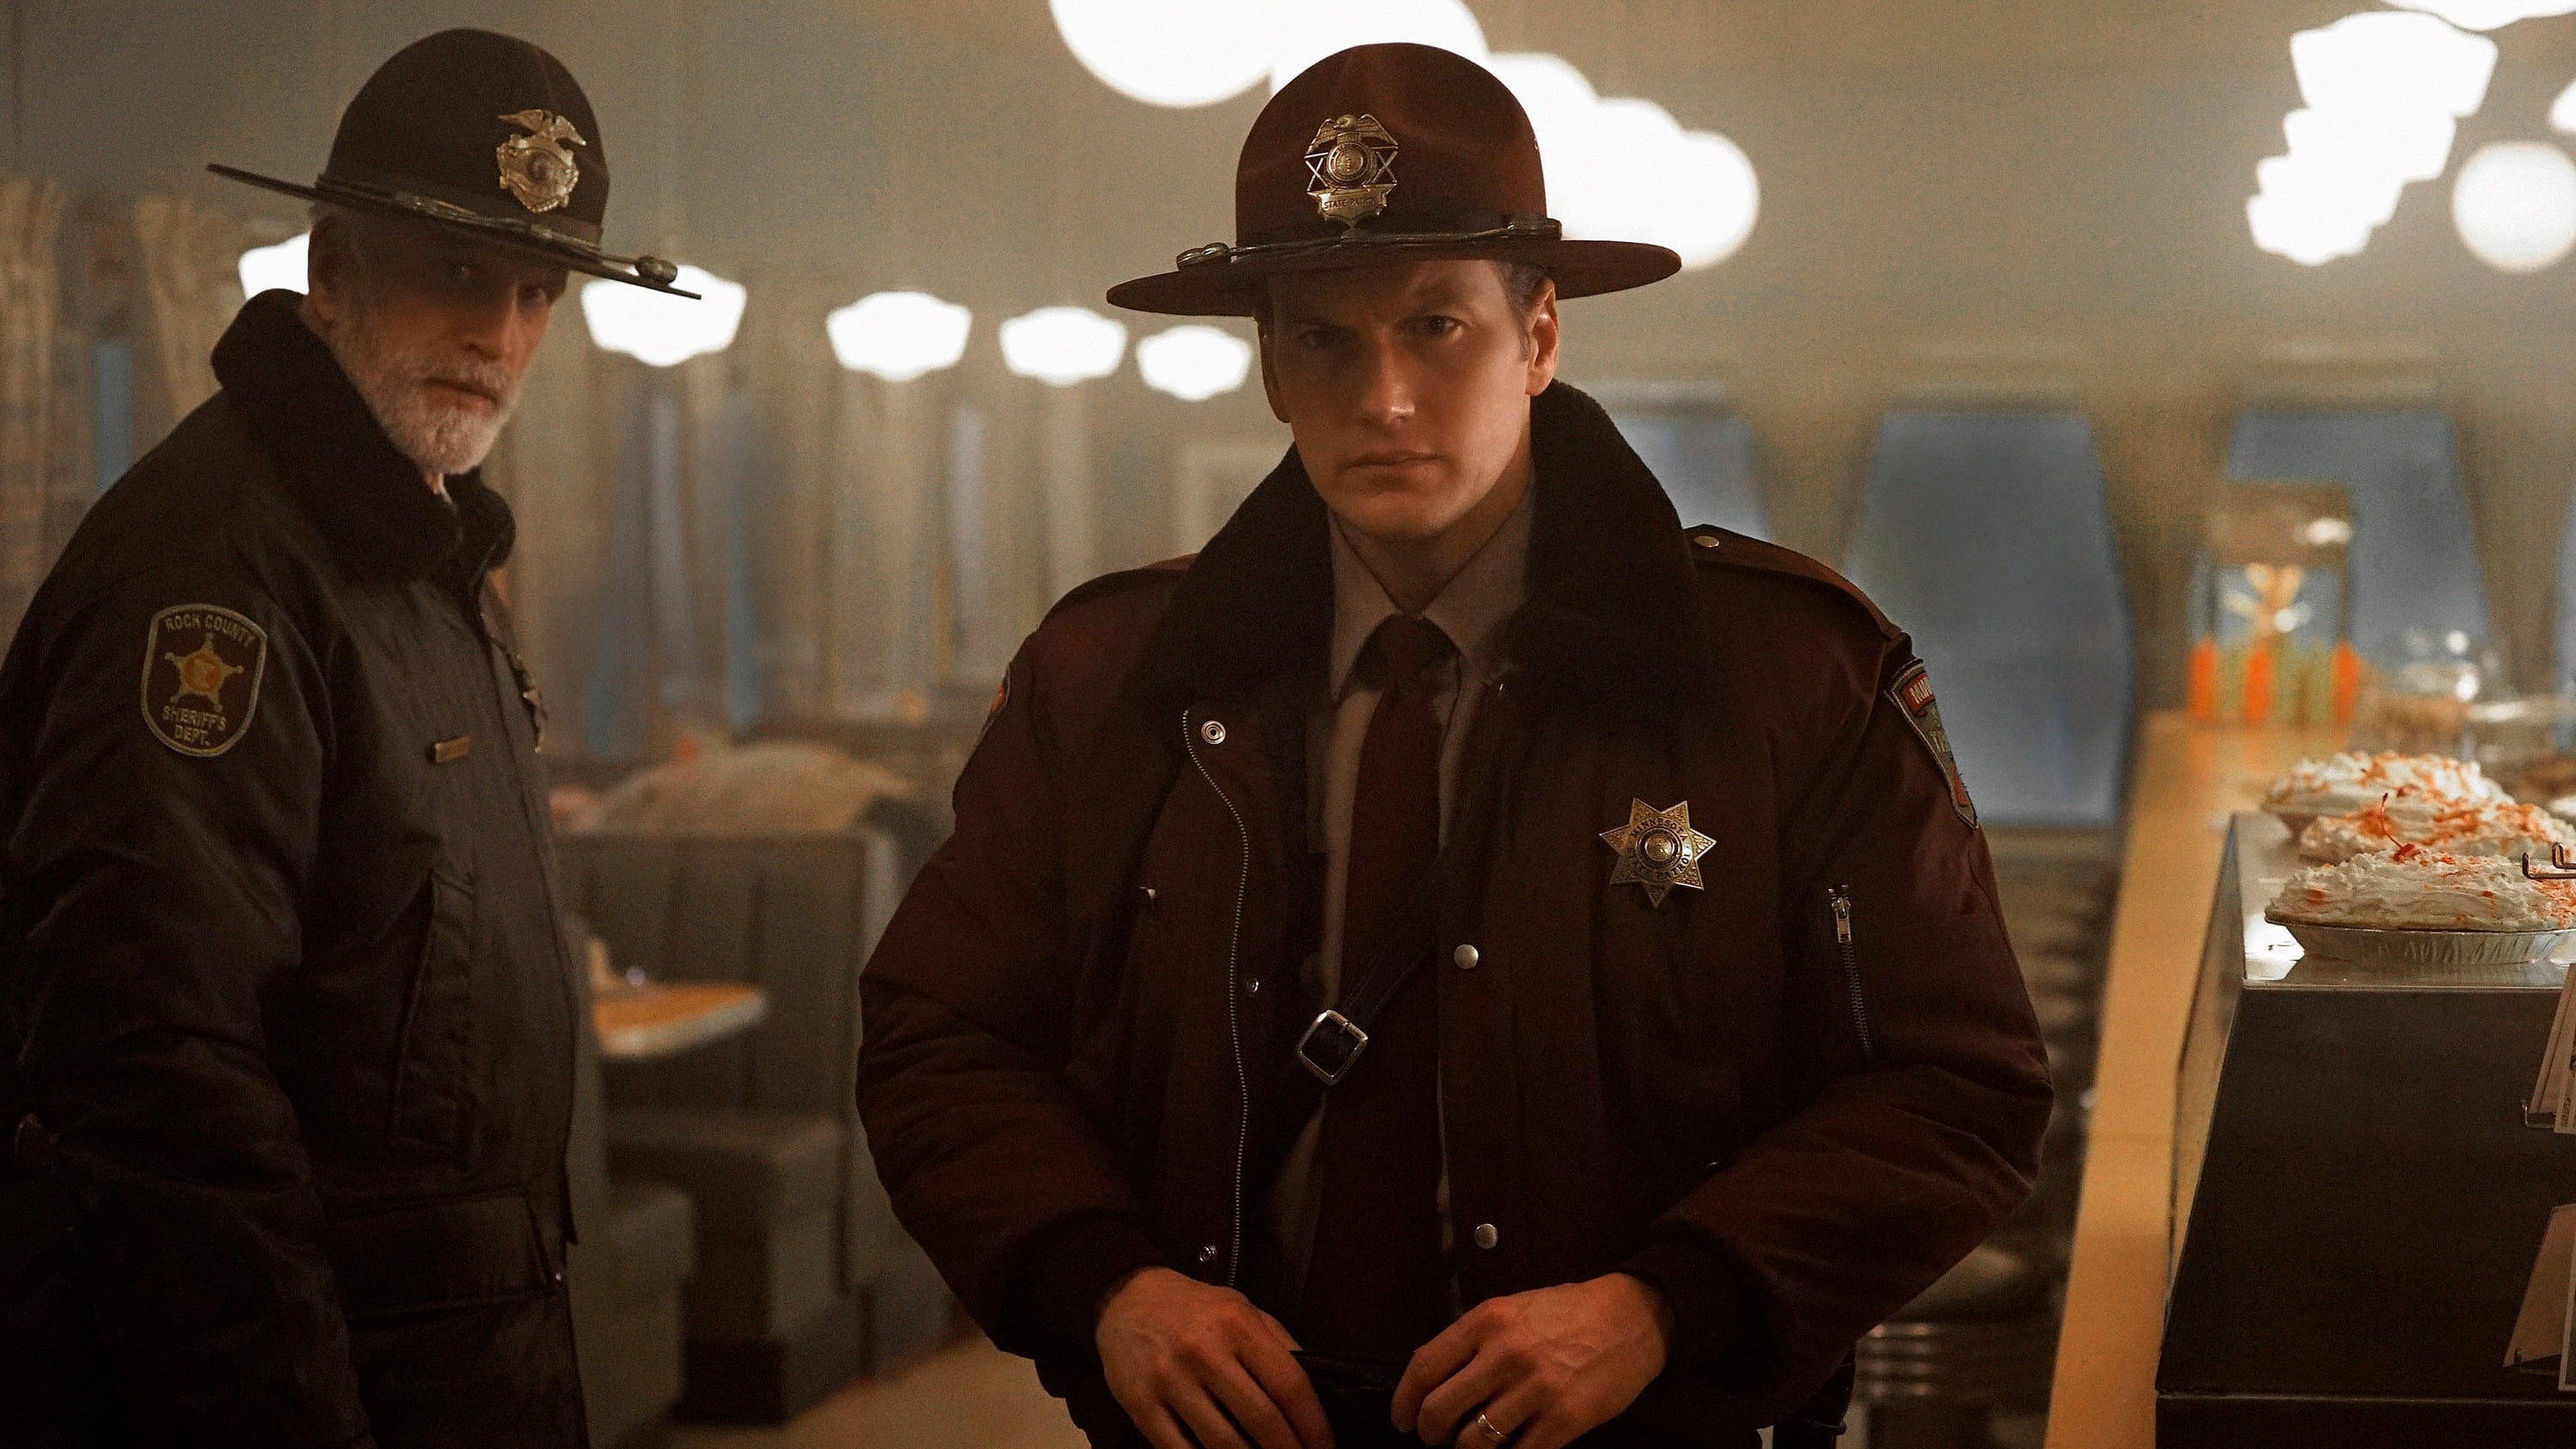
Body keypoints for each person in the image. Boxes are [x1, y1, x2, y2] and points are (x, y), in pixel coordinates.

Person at [856, 40, 2051, 1449]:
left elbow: (1952, 1087)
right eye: (1325, 340)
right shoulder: (1111, 679)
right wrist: (1109, 1285)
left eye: (1437, 326)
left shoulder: (1785, 674)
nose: (1386, 397)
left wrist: (1664, 1305)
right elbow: (943, 1036)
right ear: (1270, 370)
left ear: (1539, 339)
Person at [0, 29, 692, 1449]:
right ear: (331, 269)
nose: (499, 335)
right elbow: (161, 1080)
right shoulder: (215, 571)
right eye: (457, 271)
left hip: (469, 1365)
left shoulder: (419, 551)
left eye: (535, 292)